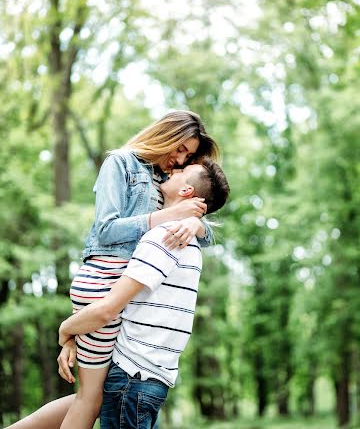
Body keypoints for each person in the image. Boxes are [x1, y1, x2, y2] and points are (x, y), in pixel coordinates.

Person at [5, 111, 219, 429]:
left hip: (123, 292)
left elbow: (209, 236)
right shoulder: (120, 163)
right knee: (89, 401)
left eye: (186, 155)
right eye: (179, 148)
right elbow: (105, 229)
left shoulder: (167, 180)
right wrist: (170, 216)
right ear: (166, 135)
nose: (179, 158)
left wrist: (192, 221)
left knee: (98, 395)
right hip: (106, 278)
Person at [57, 158, 230, 429]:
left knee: (86, 399)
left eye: (182, 171)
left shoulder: (165, 237)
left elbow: (108, 309)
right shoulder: (190, 241)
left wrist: (65, 331)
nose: (174, 169)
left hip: (132, 377)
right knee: (84, 399)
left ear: (186, 191)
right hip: (149, 379)